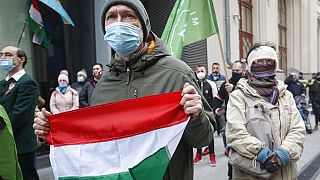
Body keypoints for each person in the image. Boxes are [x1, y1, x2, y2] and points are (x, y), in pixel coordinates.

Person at [34, 1, 215, 180]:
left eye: (128, 16)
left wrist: (196, 115)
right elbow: (96, 141)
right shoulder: (103, 84)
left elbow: (203, 139)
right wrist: (54, 128)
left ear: (144, 25)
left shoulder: (178, 74)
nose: (119, 23)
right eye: (111, 17)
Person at [227, 43, 306, 179]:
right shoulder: (238, 96)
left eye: (269, 61)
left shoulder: (286, 95)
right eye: (259, 61)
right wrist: (261, 153)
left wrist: (283, 154)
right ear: (251, 65)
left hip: (285, 173)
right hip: (252, 173)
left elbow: (297, 129)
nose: (264, 64)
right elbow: (236, 133)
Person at [0, 46, 40, 180]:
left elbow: (19, 115)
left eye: (8, 55)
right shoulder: (2, 83)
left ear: (21, 59)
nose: (3, 58)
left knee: (26, 175)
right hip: (3, 141)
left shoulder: (27, 83)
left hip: (20, 143)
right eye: (1, 55)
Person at [193, 65, 217, 166]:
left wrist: (215, 111)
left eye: (202, 71)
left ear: (206, 72)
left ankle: (212, 155)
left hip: (210, 113)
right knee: (199, 133)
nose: (200, 73)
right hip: (198, 112)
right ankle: (198, 155)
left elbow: (216, 98)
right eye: (198, 71)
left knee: (210, 134)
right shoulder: (194, 84)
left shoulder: (211, 84)